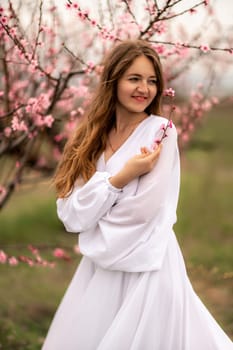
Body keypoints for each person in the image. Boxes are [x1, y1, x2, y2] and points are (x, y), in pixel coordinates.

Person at [42, 40, 232, 350]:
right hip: (100, 269)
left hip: (146, 263)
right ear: (113, 81)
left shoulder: (161, 132)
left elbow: (143, 211)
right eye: (134, 78)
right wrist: (122, 177)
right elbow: (71, 214)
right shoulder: (91, 136)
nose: (144, 88)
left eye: (152, 80)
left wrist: (95, 210)